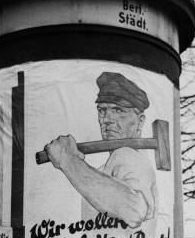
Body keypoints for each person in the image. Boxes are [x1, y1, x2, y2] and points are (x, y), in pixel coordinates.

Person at [45, 72, 158, 229]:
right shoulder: (105, 169)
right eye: (102, 110)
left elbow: (134, 211)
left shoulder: (128, 155)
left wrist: (68, 161)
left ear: (140, 121)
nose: (107, 119)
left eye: (119, 110)